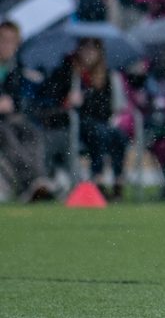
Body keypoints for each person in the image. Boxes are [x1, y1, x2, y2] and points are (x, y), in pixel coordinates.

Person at [38, 37, 130, 198]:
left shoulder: (105, 76)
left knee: (118, 136)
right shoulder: (67, 72)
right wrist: (67, 100)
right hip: (73, 124)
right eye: (85, 48)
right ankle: (98, 178)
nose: (89, 53)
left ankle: (118, 179)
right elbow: (50, 99)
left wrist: (88, 99)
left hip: (99, 121)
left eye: (93, 49)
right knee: (97, 132)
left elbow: (106, 108)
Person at [0, 20, 53, 201]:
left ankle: (38, 180)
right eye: (3, 40)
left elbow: (18, 100)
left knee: (33, 133)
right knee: (8, 137)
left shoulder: (16, 69)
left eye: (11, 41)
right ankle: (30, 183)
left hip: (11, 119)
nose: (6, 46)